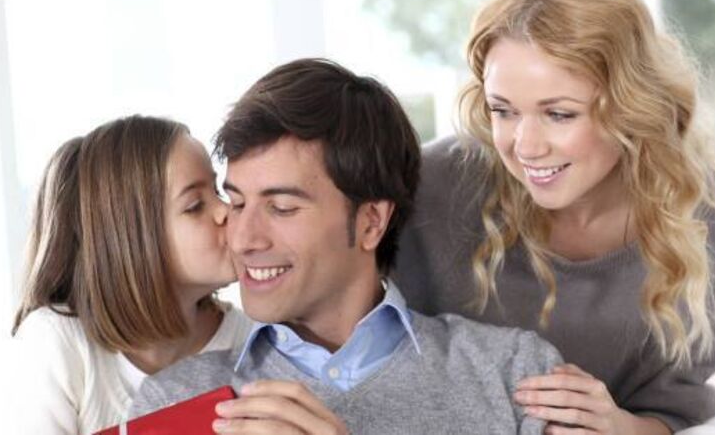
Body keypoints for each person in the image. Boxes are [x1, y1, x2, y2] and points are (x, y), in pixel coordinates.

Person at [130, 58, 562, 434]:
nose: (243, 239)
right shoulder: (173, 402)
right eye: (238, 203)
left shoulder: (516, 376)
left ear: (371, 222)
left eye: (281, 208)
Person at [393, 0, 715, 433]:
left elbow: (677, 411)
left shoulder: (692, 207)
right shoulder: (429, 185)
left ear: (631, 106)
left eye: (559, 114)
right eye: (503, 110)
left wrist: (616, 426)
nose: (525, 147)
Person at [10, 115, 253, 435]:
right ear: (132, 237)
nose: (226, 210)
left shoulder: (252, 341)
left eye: (218, 191)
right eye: (195, 205)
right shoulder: (57, 344)